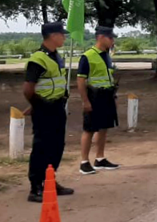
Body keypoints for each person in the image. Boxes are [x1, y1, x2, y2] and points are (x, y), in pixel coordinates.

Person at [23, 22, 75, 202]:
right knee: (42, 147)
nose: (64, 37)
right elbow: (28, 89)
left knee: (56, 146)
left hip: (57, 107)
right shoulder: (38, 59)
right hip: (45, 109)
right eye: (62, 34)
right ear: (53, 36)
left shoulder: (55, 56)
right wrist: (37, 105)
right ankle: (35, 187)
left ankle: (50, 180)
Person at [77, 26, 121, 175]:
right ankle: (84, 162)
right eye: (110, 38)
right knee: (89, 129)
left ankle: (100, 158)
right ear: (101, 37)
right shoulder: (88, 56)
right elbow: (81, 80)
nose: (112, 40)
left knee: (104, 127)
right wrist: (85, 101)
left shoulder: (106, 56)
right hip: (94, 96)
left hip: (107, 95)